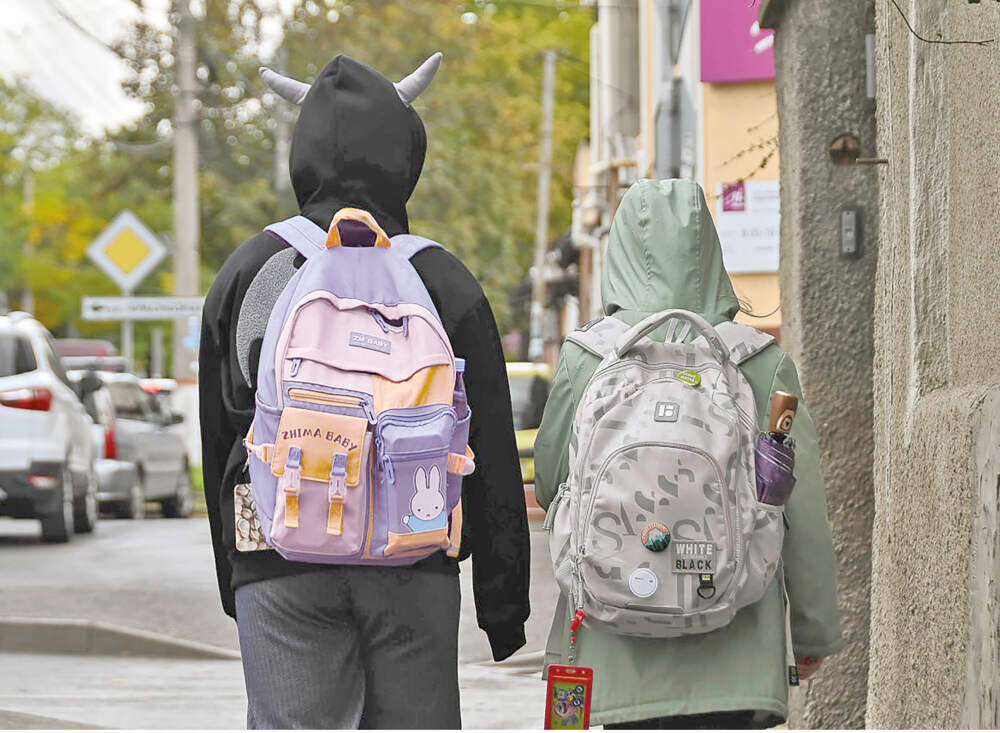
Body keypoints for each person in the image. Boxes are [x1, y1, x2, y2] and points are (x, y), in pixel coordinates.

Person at [199, 53, 530, 729]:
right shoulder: (441, 279)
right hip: (414, 545)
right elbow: (490, 441)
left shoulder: (250, 271)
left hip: (277, 551)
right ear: (404, 153)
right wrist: (504, 602)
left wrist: (235, 572)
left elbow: (218, 434)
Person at [534, 179, 843, 729]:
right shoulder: (760, 362)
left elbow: (551, 483)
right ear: (711, 253)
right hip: (737, 651)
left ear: (619, 253)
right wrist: (812, 632)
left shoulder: (589, 359)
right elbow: (802, 510)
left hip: (613, 641)